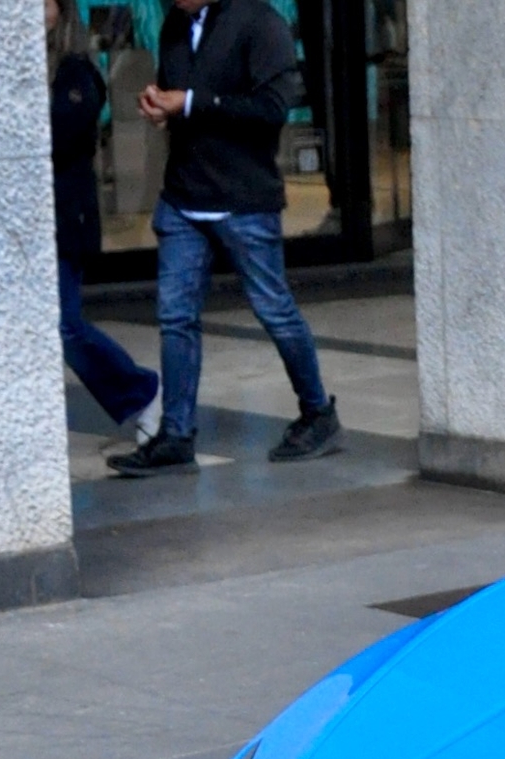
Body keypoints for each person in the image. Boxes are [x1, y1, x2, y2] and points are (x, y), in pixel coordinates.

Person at [107, 0, 341, 478]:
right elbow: (186, 98)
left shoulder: (261, 23)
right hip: (183, 196)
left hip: (244, 197)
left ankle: (318, 413)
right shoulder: (176, 25)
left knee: (274, 307)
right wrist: (164, 107)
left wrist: (190, 102)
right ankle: (176, 436)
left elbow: (272, 109)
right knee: (175, 317)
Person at [49, 0, 161, 445]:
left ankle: (140, 392)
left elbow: (59, 136)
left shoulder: (77, 73)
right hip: (30, 227)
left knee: (66, 325)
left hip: (66, 221)